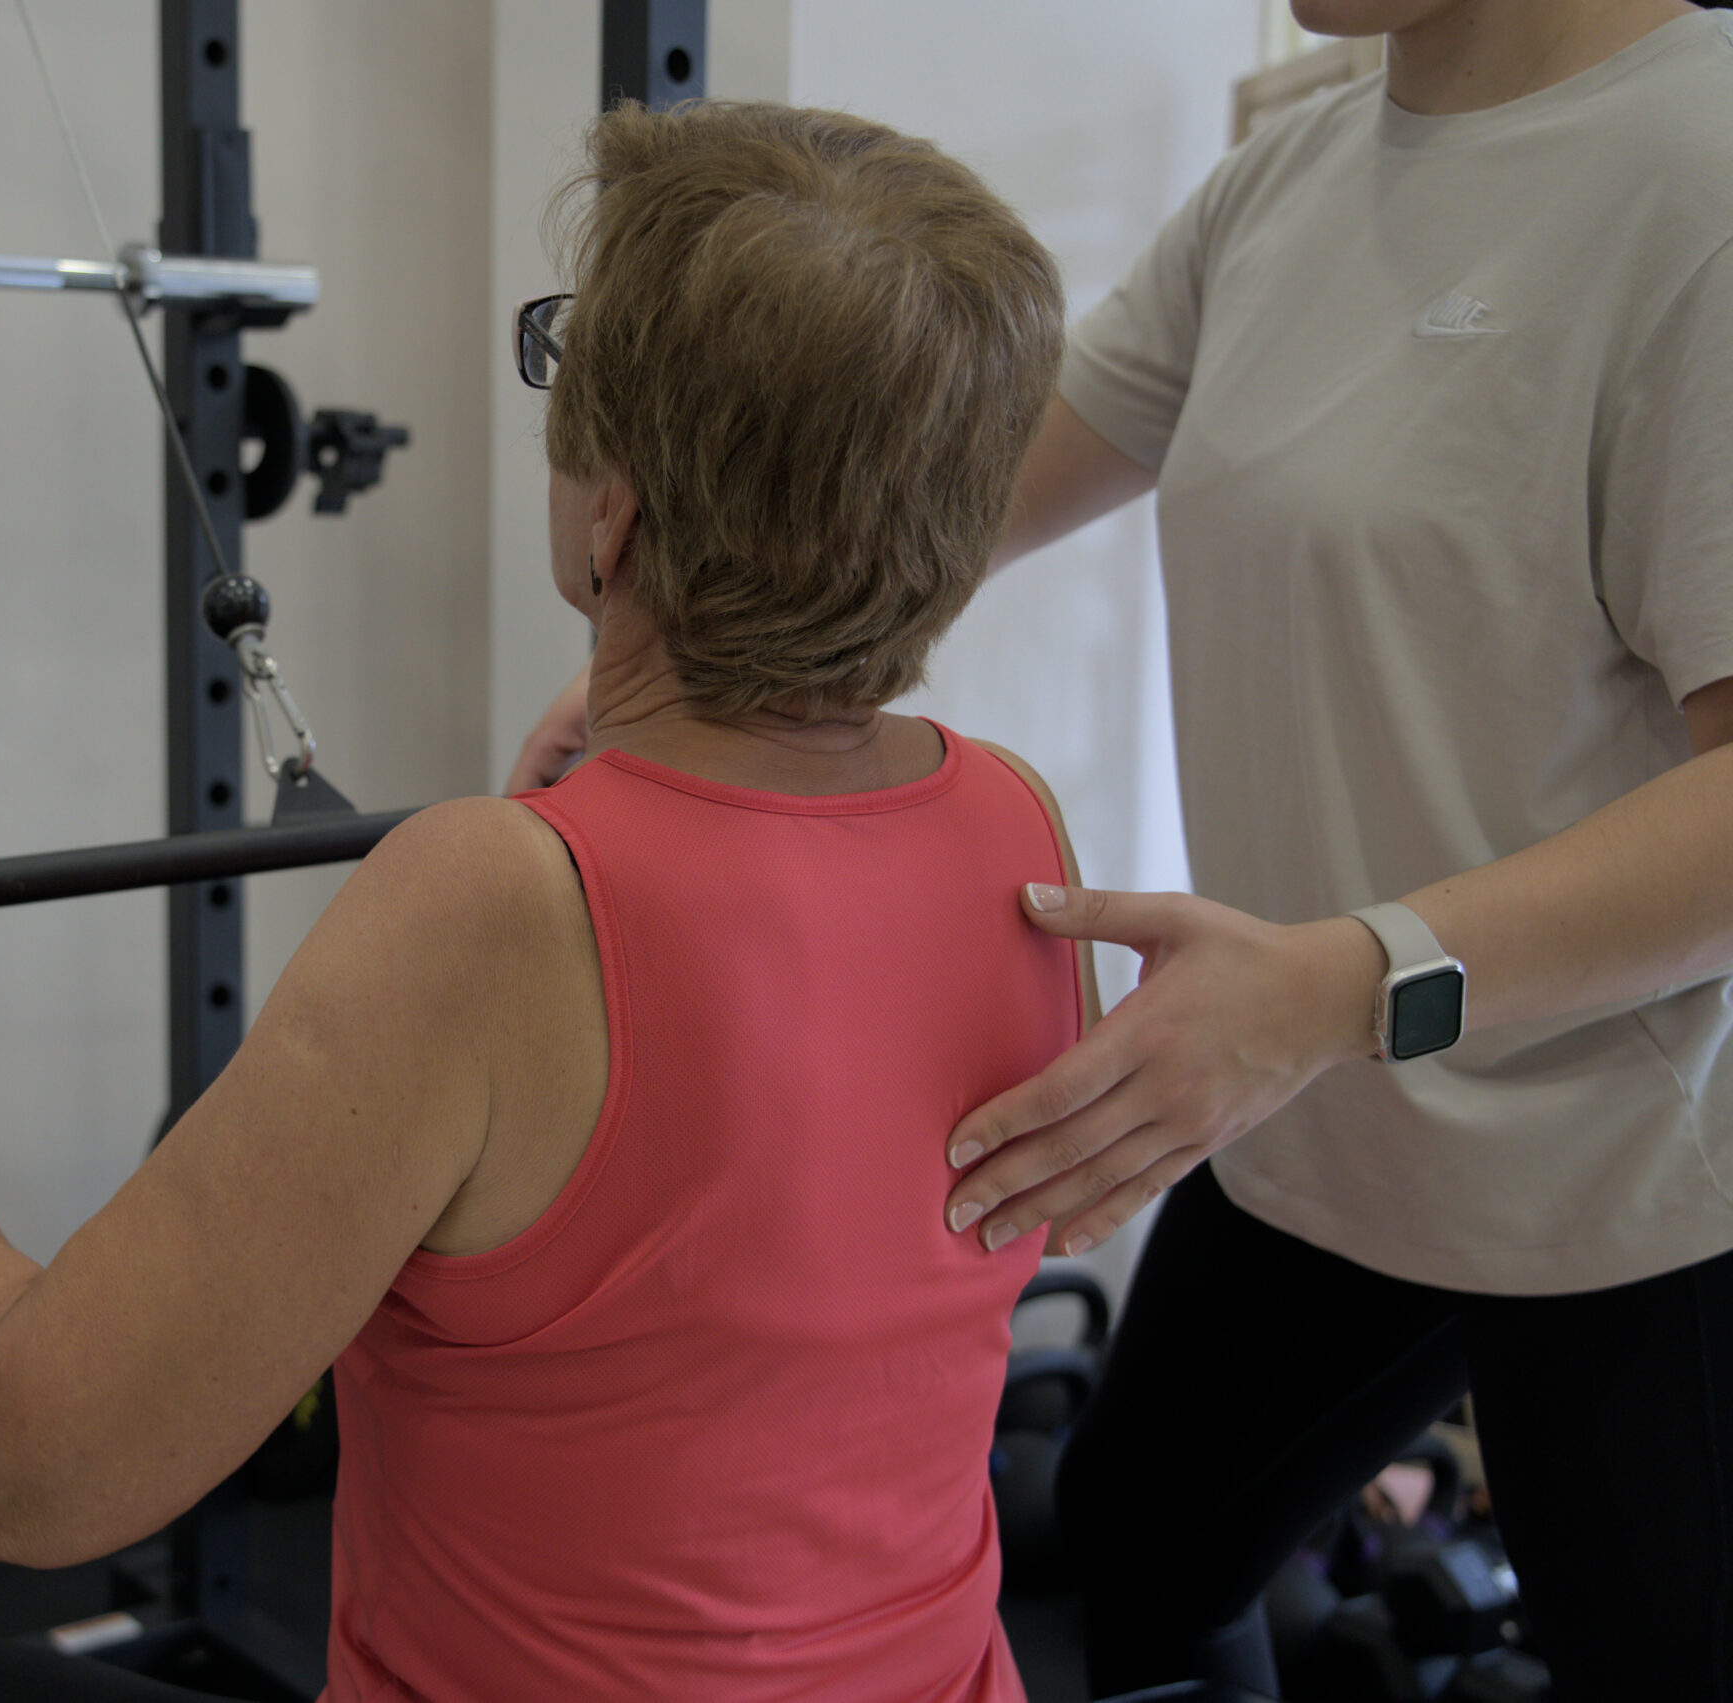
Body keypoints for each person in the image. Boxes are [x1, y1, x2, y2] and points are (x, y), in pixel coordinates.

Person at [0, 103, 1094, 1702]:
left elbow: (21, 1475)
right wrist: (594, 823)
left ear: (612, 515)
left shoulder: (487, 906)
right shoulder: (1017, 825)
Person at [507, 0, 1733, 1692]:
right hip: (1314, 1109)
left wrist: (1339, 982)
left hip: (1634, 1180)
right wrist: (669, 672)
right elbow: (946, 490)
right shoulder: (1290, 180)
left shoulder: (1701, 177)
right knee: (1149, 1543)